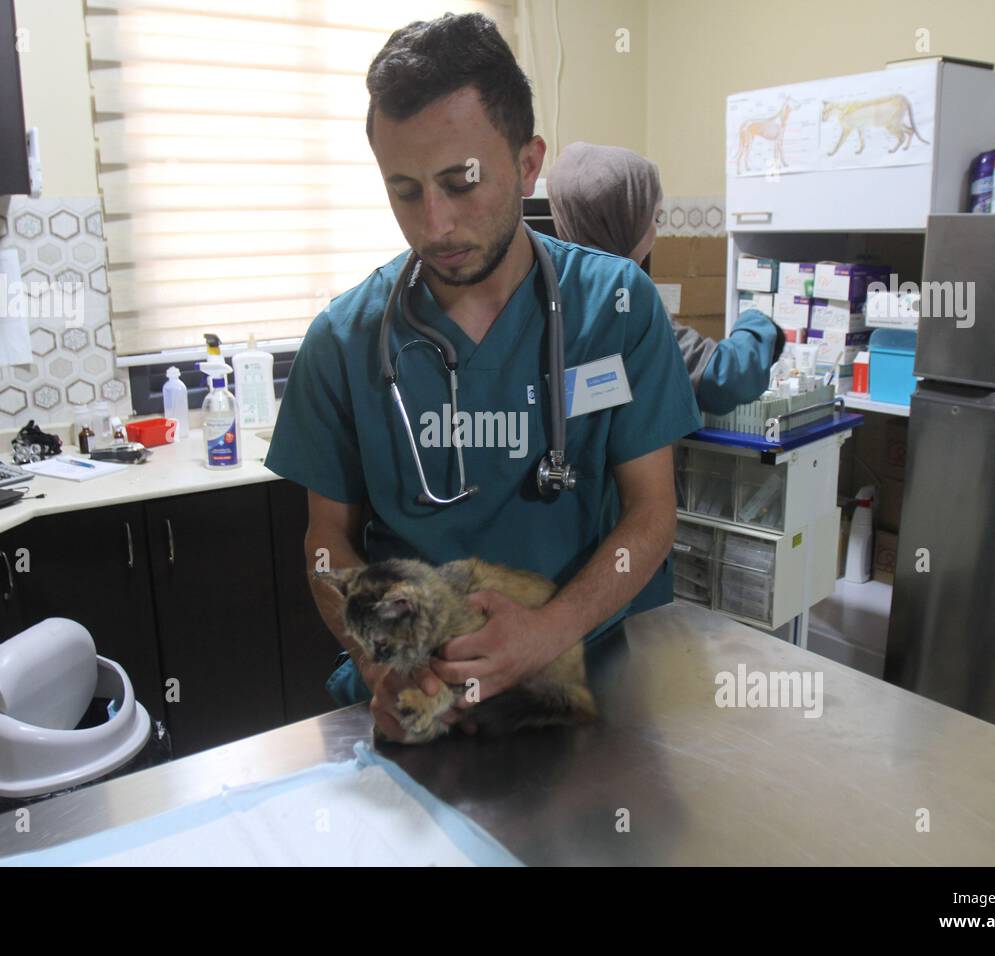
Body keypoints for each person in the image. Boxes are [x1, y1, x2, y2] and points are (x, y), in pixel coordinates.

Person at [264, 13, 699, 742]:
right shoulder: (343, 342)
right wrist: (380, 665)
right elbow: (323, 542)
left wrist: (549, 630)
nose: (435, 224)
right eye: (405, 190)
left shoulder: (618, 307)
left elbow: (651, 515)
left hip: (592, 680)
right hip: (426, 700)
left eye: (460, 182)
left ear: (528, 163)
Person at [547, 141, 784, 415]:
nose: (655, 235)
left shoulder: (544, 287)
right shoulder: (624, 298)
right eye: (655, 219)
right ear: (624, 222)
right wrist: (757, 325)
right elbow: (722, 377)